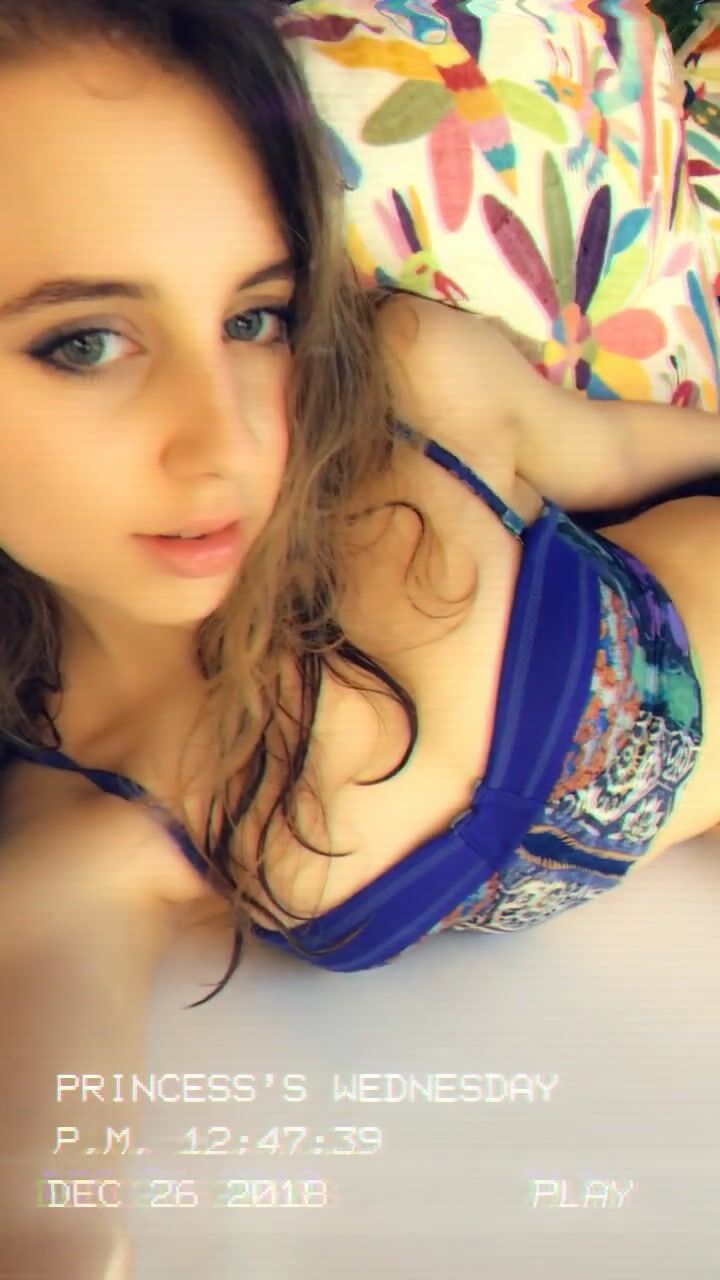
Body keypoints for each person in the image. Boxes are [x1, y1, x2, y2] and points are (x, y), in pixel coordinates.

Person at [1, 1, 720, 1271]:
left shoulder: (407, 385)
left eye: (255, 318)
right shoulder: (85, 825)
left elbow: (622, 449)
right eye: (87, 342)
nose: (225, 441)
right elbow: (47, 1214)